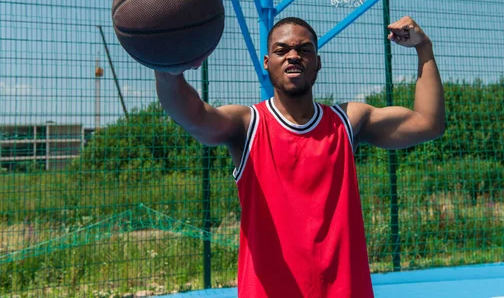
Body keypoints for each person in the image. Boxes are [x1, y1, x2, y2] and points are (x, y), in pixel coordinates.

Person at [154, 16, 445, 298]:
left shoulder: (348, 121)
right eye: (282, 50)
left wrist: (424, 48)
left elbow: (427, 123)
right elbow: (193, 117)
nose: (293, 55)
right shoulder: (247, 124)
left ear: (318, 62)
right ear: (267, 63)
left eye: (304, 49)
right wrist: (167, 65)